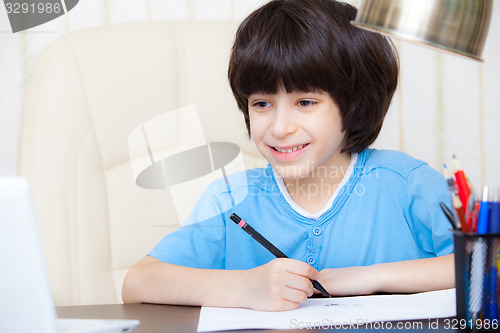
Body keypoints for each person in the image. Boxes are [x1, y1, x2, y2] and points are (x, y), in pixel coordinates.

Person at [122, 0, 454, 311]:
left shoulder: (408, 184)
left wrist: (371, 277)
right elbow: (138, 282)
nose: (280, 128)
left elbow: (485, 266)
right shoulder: (229, 198)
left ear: (353, 105)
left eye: (306, 102)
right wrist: (243, 287)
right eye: (262, 104)